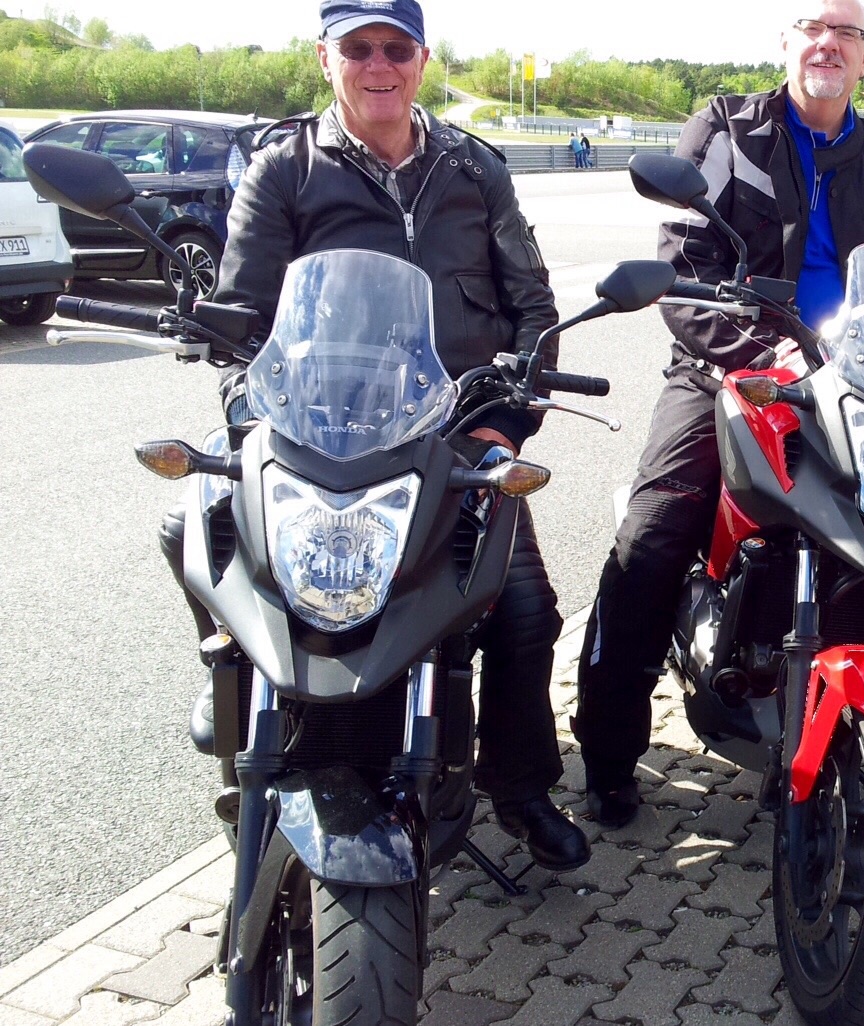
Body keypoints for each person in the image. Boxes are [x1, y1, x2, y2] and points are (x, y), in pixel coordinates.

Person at [165, 0, 590, 871]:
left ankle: (519, 787)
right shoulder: (284, 168)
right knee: (190, 523)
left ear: (422, 59)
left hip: (454, 440)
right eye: (358, 48)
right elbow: (242, 328)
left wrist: (505, 425)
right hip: (320, 436)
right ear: (326, 58)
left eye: (396, 47)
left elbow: (533, 311)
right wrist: (259, 420)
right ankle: (226, 661)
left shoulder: (473, 167)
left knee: (523, 612)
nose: (378, 65)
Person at [572, 0, 864, 826]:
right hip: (730, 368)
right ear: (787, 42)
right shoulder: (726, 131)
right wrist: (763, 352)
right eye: (813, 27)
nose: (828, 43)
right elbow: (682, 269)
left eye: (846, 32)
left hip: (860, 387)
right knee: (654, 535)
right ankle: (608, 751)